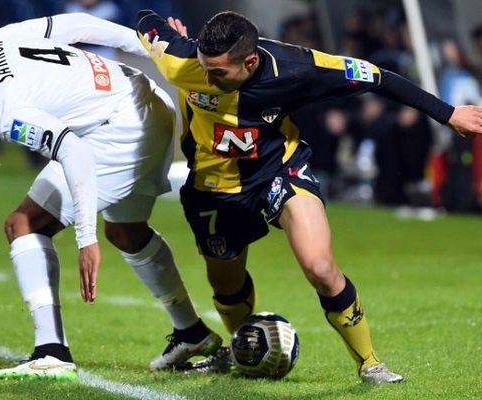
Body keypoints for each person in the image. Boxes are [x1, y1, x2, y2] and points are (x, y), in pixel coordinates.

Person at [134, 10, 482, 383]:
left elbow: (376, 77)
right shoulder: (182, 58)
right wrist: (172, 35)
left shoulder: (296, 67)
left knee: (319, 267)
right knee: (226, 285)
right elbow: (144, 19)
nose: (206, 78)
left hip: (278, 170)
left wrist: (447, 114)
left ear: (250, 61)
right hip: (213, 189)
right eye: (203, 67)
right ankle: (244, 350)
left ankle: (370, 363)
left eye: (218, 72)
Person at [0, 12, 221, 380]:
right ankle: (192, 333)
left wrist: (86, 238)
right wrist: (163, 49)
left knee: (23, 224)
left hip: (120, 130)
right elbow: (80, 24)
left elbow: (75, 153)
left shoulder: (5, 111)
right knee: (127, 232)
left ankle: (51, 352)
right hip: (143, 97)